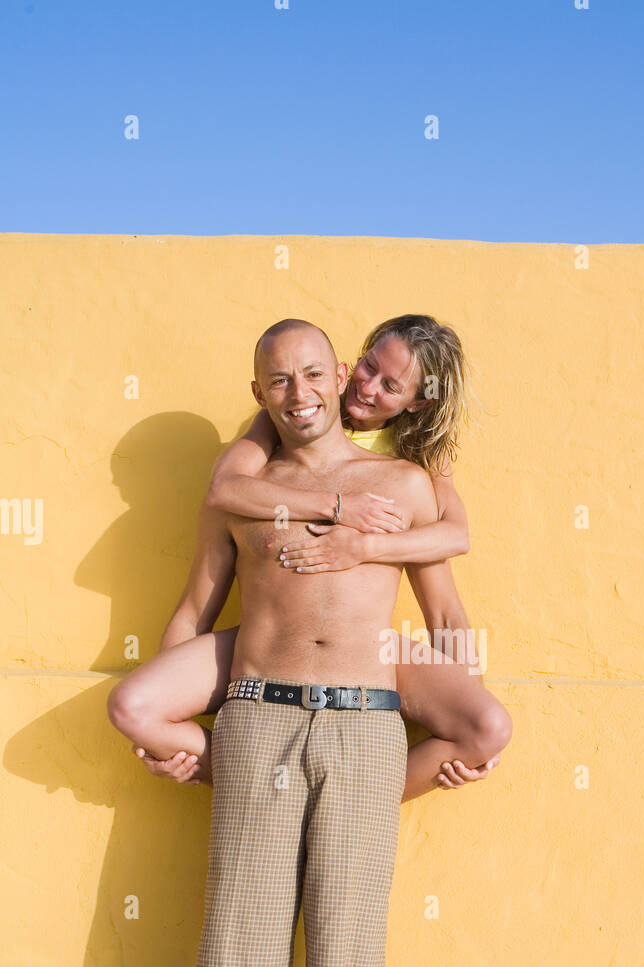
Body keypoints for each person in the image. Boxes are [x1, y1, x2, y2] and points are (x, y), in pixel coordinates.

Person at [147, 318, 465, 967]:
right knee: (245, 966)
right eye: (278, 380)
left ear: (338, 379)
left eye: (315, 373)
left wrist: (464, 702)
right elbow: (194, 610)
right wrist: (177, 726)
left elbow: (448, 612)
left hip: (368, 726)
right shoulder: (244, 493)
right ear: (260, 392)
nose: (302, 393)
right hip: (256, 716)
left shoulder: (403, 488)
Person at [108, 314, 512, 800]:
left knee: (488, 725)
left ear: (419, 400)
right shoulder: (297, 404)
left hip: (367, 649)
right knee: (134, 704)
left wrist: (364, 545)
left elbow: (453, 556)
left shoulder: (421, 461)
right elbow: (225, 490)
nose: (367, 387)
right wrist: (340, 505)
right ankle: (243, 774)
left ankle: (367, 795)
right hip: (274, 641)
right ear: (348, 365)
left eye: (390, 385)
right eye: (367, 366)